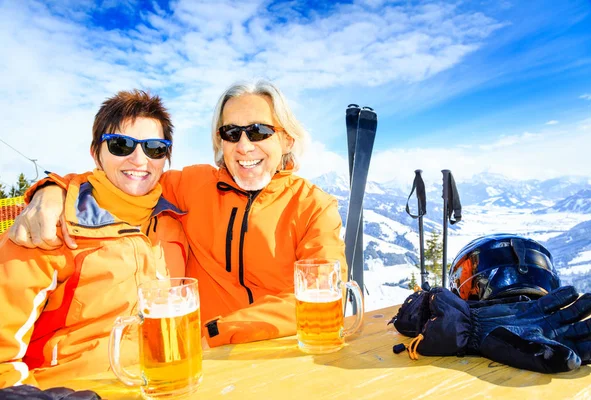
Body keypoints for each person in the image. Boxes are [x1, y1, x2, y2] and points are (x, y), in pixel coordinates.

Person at [9, 80, 347, 348]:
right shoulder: (190, 186)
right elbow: (123, 180)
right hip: (190, 361)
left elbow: (324, 296)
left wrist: (216, 331)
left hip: (270, 349)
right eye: (231, 133)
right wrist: (52, 190)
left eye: (259, 131)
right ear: (220, 141)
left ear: (286, 139)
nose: (244, 146)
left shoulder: (313, 207)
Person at [0, 90, 187, 388]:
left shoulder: (173, 223)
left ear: (166, 158)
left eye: (154, 148)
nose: (139, 160)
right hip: (67, 390)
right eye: (121, 145)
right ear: (95, 153)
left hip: (165, 383)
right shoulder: (49, 228)